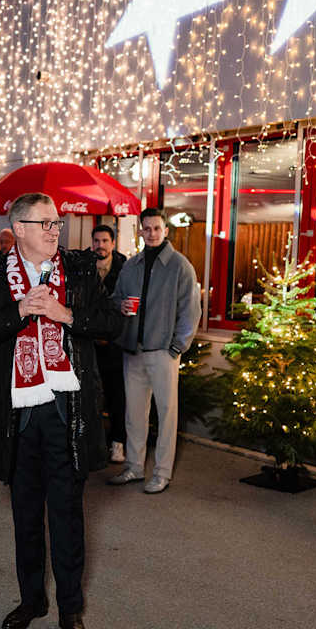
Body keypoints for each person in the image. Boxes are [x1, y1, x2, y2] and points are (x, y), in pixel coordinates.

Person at [0, 193, 122, 629]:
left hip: (68, 411)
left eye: (57, 222)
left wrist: (64, 313)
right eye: (46, 223)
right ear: (19, 229)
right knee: (26, 515)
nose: (56, 230)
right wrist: (19, 310)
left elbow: (113, 324)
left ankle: (71, 608)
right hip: (17, 414)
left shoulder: (80, 269)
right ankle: (31, 600)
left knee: (68, 515)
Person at [106, 208, 201, 495]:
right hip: (132, 350)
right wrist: (120, 306)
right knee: (134, 413)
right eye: (146, 229)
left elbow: (191, 310)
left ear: (165, 230)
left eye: (156, 228)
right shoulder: (131, 265)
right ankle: (134, 467)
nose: (152, 233)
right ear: (140, 231)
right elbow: (115, 299)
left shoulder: (180, 266)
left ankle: (161, 472)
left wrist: (177, 346)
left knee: (166, 413)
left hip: (163, 351)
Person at [87, 225, 127, 463]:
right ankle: (92, 445)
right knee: (90, 395)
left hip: (114, 343)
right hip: (89, 342)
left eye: (104, 240)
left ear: (113, 243)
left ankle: (117, 443)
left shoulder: (125, 268)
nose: (100, 245)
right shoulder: (83, 266)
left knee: (116, 396)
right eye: (96, 241)